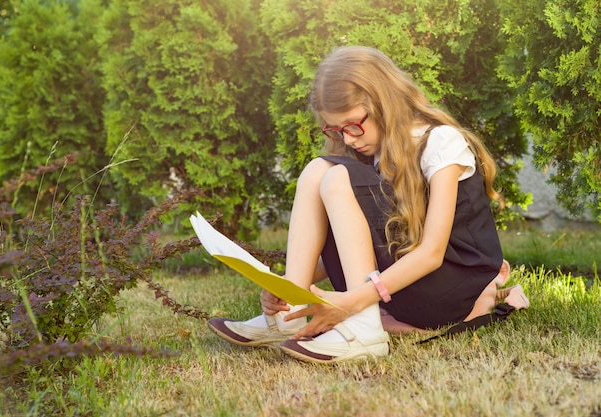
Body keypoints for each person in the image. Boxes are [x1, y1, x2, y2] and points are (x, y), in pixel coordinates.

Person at [207, 46, 529, 363]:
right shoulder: (368, 153)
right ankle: (287, 315)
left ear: (383, 102)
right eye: (336, 129)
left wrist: (351, 303)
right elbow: (359, 246)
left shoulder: (440, 143)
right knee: (316, 170)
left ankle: (364, 329)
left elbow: (431, 253)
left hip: (448, 287)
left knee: (334, 177)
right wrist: (289, 285)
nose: (347, 139)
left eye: (352, 125)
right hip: (399, 285)